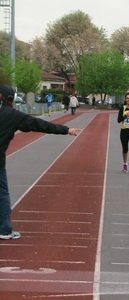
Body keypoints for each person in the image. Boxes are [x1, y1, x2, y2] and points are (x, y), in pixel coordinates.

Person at [0, 85, 80, 240]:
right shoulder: (13, 115)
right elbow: (39, 125)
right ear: (11, 99)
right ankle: (4, 229)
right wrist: (65, 130)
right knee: (2, 195)